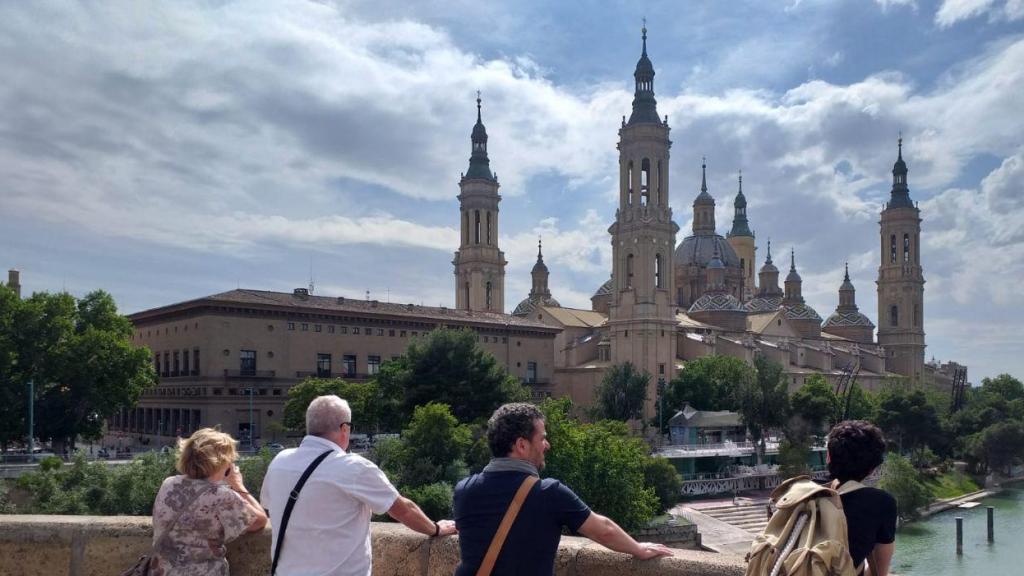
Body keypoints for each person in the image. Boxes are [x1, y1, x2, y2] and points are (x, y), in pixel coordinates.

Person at [453, 403, 673, 575]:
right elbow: (603, 530)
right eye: (542, 439)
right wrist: (638, 549)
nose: (546, 445)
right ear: (521, 445)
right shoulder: (548, 493)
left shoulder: (464, 490)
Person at [260, 395, 457, 576]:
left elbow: (269, 505)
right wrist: (435, 529)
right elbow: (403, 510)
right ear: (344, 428)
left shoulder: (280, 461)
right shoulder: (353, 467)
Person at [150, 427, 268, 576]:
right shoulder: (221, 495)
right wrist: (238, 485)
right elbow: (260, 520)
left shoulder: (169, 483)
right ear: (221, 462)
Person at [826, 420, 897, 576]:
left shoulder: (798, 492)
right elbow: (878, 571)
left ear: (828, 456)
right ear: (872, 469)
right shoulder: (881, 503)